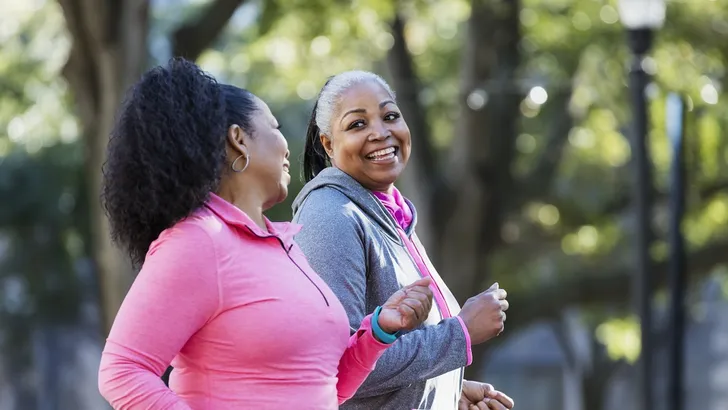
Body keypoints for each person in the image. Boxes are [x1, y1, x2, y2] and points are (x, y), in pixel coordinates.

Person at [97, 58, 435, 410]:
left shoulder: (284, 248)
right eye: (273, 127)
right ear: (238, 140)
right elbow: (122, 370)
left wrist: (378, 331)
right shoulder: (198, 240)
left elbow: (323, 385)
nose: (287, 146)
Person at [292, 71, 515, 410]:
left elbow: (389, 358)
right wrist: (461, 332)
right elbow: (339, 368)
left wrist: (448, 390)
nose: (381, 133)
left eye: (390, 116)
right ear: (328, 144)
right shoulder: (331, 216)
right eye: (357, 125)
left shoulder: (389, 215)